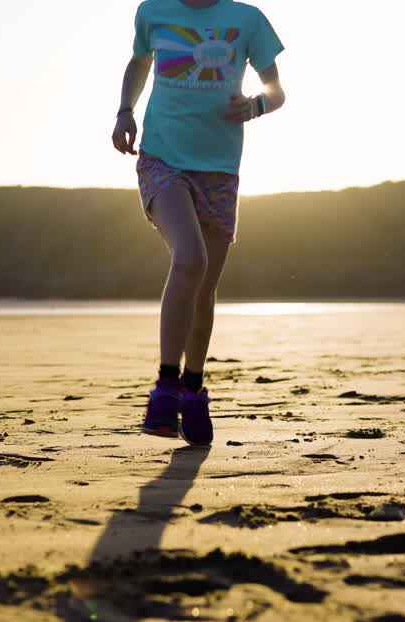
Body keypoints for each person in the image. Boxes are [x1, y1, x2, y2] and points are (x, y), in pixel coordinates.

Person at [112, 0, 285, 446]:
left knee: (204, 287)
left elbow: (277, 91)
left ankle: (193, 389)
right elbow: (139, 61)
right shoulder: (153, 11)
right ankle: (166, 386)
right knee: (190, 259)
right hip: (163, 159)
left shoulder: (248, 19)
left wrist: (256, 106)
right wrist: (125, 111)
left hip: (221, 170)